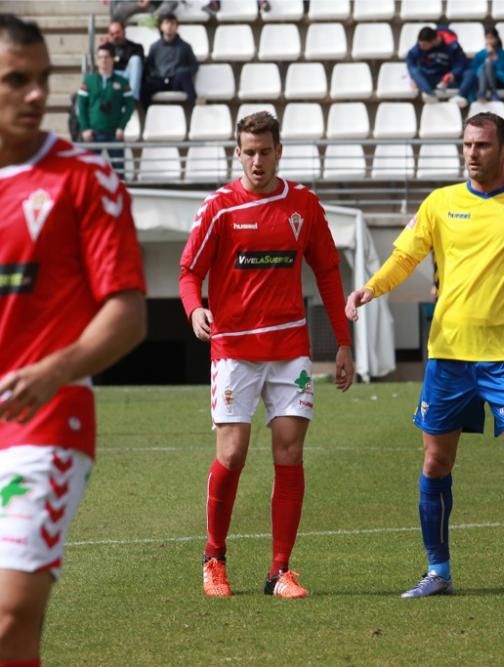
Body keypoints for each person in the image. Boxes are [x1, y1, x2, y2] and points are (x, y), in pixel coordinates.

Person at [345, 112, 504, 602]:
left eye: (481, 145)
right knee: (436, 462)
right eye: (466, 145)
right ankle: (437, 571)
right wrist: (370, 288)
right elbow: (405, 258)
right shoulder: (440, 203)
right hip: (449, 357)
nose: (472, 153)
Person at [0, 14, 147, 666]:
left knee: (8, 615)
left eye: (42, 80)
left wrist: (52, 371)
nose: (37, 95)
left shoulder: (84, 178)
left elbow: (128, 313)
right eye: (15, 81)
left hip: (44, 424)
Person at [178, 111, 355, 600]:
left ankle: (280, 571)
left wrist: (342, 343)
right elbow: (189, 271)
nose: (257, 161)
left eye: (265, 151)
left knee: (289, 451)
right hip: (234, 348)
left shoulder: (303, 205)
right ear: (238, 153)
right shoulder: (219, 208)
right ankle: (214, 558)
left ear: (279, 151)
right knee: (232, 454)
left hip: (290, 349)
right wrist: (195, 311)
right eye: (248, 152)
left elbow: (327, 271)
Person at [77, 44, 135, 177]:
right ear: (97, 60)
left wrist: (121, 126)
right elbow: (81, 106)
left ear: (113, 59)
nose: (103, 60)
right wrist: (85, 128)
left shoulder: (122, 82)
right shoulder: (88, 81)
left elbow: (130, 106)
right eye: (100, 57)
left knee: (119, 173)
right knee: (88, 173)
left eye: (107, 57)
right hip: (93, 134)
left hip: (114, 133)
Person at [141, 13, 198, 108]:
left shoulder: (185, 46)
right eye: (167, 23)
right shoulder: (154, 47)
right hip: (159, 80)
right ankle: (148, 115)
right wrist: (156, 74)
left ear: (177, 26)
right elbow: (149, 66)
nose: (169, 26)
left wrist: (181, 71)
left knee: (184, 76)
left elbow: (194, 66)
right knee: (145, 87)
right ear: (161, 26)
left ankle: (196, 104)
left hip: (176, 80)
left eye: (173, 23)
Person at [405, 26, 468, 105]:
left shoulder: (452, 45)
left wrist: (453, 74)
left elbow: (461, 62)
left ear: (434, 41)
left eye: (424, 45)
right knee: (415, 72)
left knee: (469, 73)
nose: (421, 47)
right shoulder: (420, 46)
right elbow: (410, 58)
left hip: (447, 79)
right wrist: (413, 78)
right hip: (429, 77)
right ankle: (430, 94)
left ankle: (460, 96)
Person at [458, 27, 504, 104]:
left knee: (488, 64)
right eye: (487, 38)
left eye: (491, 38)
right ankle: (492, 93)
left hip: (498, 81)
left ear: (497, 39)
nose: (489, 41)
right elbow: (474, 71)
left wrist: (492, 57)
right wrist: (487, 60)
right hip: (481, 81)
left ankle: (482, 94)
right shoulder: (480, 54)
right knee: (484, 66)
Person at [100, 20, 143, 101]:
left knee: (135, 59)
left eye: (117, 32)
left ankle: (132, 98)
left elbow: (138, 67)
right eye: (112, 34)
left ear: (124, 32)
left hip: (129, 76)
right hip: (113, 76)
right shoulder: (108, 49)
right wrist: (104, 48)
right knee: (103, 58)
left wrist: (118, 60)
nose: (115, 36)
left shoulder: (136, 47)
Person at [103, 0, 180, 26]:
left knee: (172, 1)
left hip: (155, 8)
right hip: (132, 6)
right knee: (118, 8)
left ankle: (153, 20)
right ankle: (115, 32)